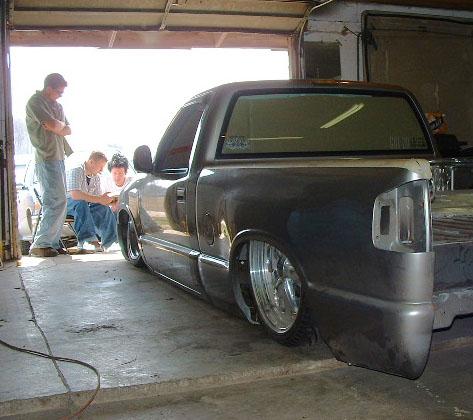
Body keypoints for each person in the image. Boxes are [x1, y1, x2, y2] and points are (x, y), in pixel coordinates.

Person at [26, 73, 73, 257]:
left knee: (61, 200)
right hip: (46, 157)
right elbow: (53, 124)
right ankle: (41, 244)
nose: (60, 95)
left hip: (59, 156)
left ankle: (51, 242)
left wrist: (57, 126)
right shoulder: (35, 102)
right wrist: (57, 126)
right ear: (48, 88)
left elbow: (67, 129)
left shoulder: (57, 106)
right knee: (54, 200)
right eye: (58, 92)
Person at [66, 151, 116, 252]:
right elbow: (75, 195)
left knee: (103, 208)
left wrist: (108, 200)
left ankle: (110, 241)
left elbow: (96, 199)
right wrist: (99, 199)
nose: (101, 170)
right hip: (66, 204)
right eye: (100, 167)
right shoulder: (76, 170)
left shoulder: (96, 177)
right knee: (81, 203)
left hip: (84, 205)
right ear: (91, 162)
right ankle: (87, 240)